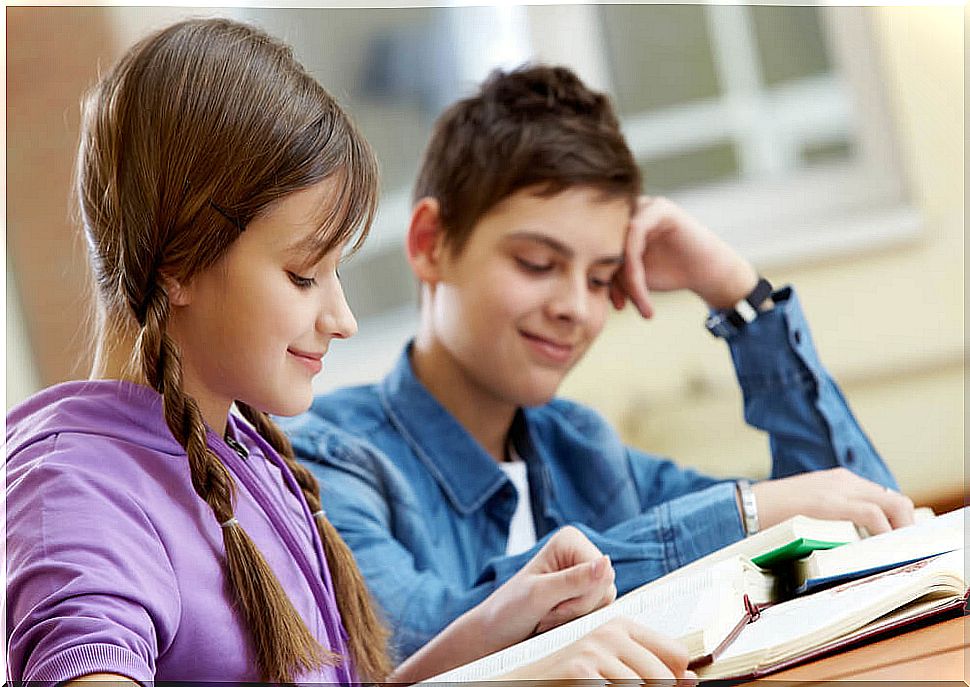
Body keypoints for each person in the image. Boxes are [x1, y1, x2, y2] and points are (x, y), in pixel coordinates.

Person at [4, 20, 695, 684]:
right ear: (178, 259)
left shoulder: (241, 451)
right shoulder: (74, 494)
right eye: (304, 274)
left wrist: (501, 628)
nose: (343, 318)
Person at [280, 64, 918, 662]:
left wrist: (737, 294)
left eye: (601, 278)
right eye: (537, 264)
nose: (575, 309)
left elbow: (864, 522)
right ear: (430, 244)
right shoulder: (331, 456)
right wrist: (743, 515)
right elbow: (404, 638)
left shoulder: (580, 446)